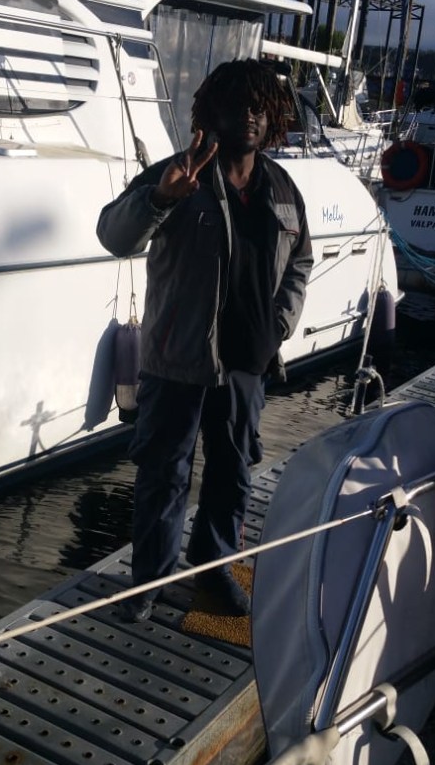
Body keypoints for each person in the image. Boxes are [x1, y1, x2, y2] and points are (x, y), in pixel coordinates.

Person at [96, 58, 313, 621]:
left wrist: (279, 326)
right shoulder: (178, 172)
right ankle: (148, 582)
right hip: (177, 359)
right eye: (238, 105)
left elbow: (301, 260)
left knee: (232, 471)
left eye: (259, 107)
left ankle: (214, 569)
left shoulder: (282, 188)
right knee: (163, 474)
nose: (250, 116)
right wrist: (160, 198)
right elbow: (113, 235)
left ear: (273, 117)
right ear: (211, 112)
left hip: (247, 362)